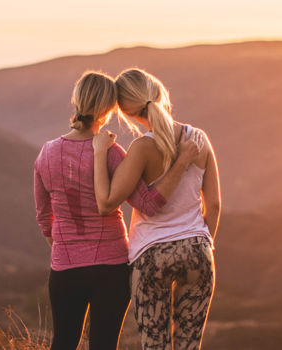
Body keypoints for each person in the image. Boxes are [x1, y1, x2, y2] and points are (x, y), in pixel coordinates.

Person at [33, 71, 200, 350]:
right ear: (110, 109)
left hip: (65, 268)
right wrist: (181, 164)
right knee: (104, 345)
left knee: (62, 342)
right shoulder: (112, 153)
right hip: (111, 268)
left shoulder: (46, 154)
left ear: (76, 101)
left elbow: (43, 217)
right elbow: (148, 203)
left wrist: (65, 248)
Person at [91, 68, 221, 350]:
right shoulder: (199, 139)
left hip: (151, 256)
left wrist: (99, 152)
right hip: (197, 249)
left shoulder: (140, 148)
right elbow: (214, 204)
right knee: (189, 345)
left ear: (126, 112)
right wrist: (201, 243)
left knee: (155, 345)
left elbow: (109, 201)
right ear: (159, 92)